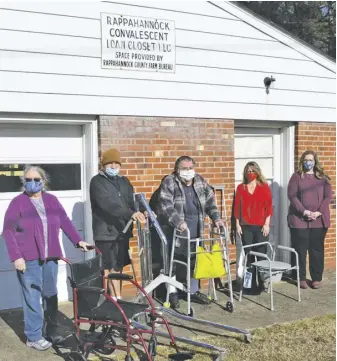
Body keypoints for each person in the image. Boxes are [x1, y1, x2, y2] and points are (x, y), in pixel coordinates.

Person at [2, 165, 91, 351]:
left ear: (43, 181)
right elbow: (8, 232)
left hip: (50, 257)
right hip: (28, 259)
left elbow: (65, 221)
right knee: (32, 297)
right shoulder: (17, 203)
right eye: (28, 180)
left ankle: (52, 330)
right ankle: (33, 336)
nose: (32, 183)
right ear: (23, 182)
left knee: (50, 295)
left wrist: (78, 241)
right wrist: (16, 257)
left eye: (36, 179)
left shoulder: (52, 200)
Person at [157, 156, 224, 308]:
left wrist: (216, 218)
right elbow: (166, 206)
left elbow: (210, 202)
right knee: (173, 261)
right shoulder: (169, 181)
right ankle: (172, 292)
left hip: (197, 228)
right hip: (176, 229)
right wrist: (178, 222)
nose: (188, 171)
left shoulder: (200, 180)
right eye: (184, 168)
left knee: (195, 260)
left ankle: (192, 292)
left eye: (190, 168)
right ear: (177, 169)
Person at [89, 148, 145, 299]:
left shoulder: (124, 181)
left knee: (118, 266)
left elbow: (132, 201)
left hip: (122, 231)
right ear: (103, 165)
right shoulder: (97, 182)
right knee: (107, 267)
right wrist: (130, 213)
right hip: (105, 233)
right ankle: (114, 299)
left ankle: (116, 298)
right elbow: (107, 204)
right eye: (110, 163)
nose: (113, 166)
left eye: (116, 163)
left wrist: (143, 210)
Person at [287, 150, 332, 290]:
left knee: (316, 249)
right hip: (299, 220)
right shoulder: (296, 177)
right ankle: (300, 277)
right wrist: (305, 211)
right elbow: (292, 196)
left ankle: (316, 278)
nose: (308, 162)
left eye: (311, 160)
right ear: (302, 161)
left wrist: (318, 212)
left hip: (319, 220)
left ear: (315, 161)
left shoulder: (323, 178)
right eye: (306, 160)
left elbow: (328, 197)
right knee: (300, 249)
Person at [234, 161, 273, 294]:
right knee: (249, 256)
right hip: (246, 227)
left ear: (257, 172)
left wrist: (267, 224)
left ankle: (263, 283)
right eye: (248, 171)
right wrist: (238, 225)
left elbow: (268, 207)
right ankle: (249, 284)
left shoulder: (264, 187)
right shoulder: (241, 188)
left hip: (261, 227)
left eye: (253, 171)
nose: (250, 173)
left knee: (261, 254)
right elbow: (236, 208)